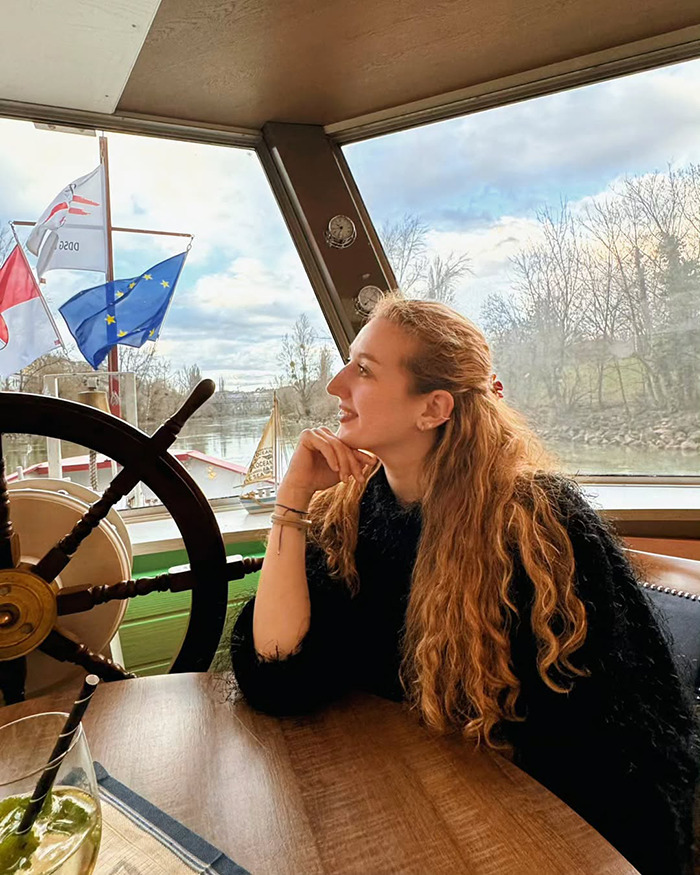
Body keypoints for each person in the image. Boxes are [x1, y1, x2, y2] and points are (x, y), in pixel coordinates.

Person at [231, 294, 698, 875]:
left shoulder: (540, 531)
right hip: (410, 804)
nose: (336, 383)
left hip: (543, 832)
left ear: (433, 408)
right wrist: (293, 501)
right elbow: (279, 673)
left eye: (365, 369)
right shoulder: (352, 513)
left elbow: (613, 747)